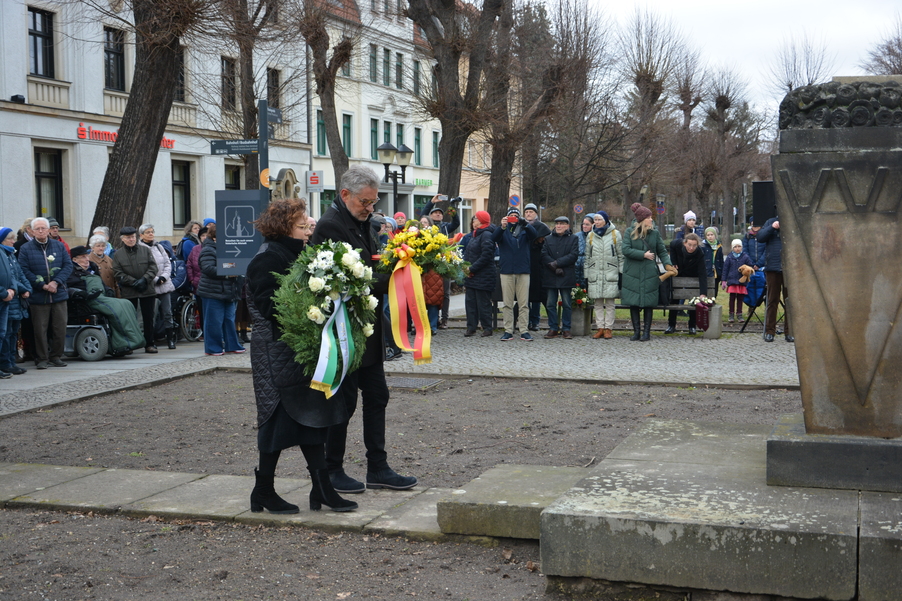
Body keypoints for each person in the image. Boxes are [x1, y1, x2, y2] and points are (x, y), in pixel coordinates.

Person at [246, 197, 356, 513]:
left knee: (312, 420)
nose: (307, 230)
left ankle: (321, 489)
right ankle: (263, 490)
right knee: (275, 423)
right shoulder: (267, 260)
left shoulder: (294, 255)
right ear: (284, 228)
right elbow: (271, 309)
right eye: (300, 225)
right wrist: (314, 306)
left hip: (297, 353)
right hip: (276, 356)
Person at [312, 165, 418, 494]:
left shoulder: (362, 223)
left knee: (377, 396)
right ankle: (332, 469)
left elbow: (371, 264)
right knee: (342, 402)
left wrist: (401, 261)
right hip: (344, 329)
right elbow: (353, 281)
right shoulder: (331, 226)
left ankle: (378, 467)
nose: (370, 208)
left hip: (365, 330)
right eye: (364, 202)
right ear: (344, 195)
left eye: (373, 202)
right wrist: (394, 274)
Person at [17, 217, 73, 369]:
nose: (41, 231)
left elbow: (68, 266)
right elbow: (24, 269)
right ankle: (41, 358)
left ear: (48, 230)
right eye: (37, 229)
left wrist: (56, 282)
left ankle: (56, 356)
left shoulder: (59, 246)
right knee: (39, 329)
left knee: (59, 327)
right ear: (32, 231)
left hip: (58, 293)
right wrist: (41, 285)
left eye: (43, 228)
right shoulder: (26, 248)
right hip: (38, 296)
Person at [67, 246, 144, 354]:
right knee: (116, 308)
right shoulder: (70, 271)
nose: (87, 259)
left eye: (87, 256)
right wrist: (81, 293)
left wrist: (108, 290)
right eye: (83, 257)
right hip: (86, 300)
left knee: (126, 303)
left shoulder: (92, 268)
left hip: (100, 296)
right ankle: (121, 344)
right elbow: (67, 288)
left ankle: (131, 341)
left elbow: (102, 284)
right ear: (74, 260)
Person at [621, 203, 671, 342]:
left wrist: (668, 264)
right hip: (633, 272)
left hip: (649, 272)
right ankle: (636, 332)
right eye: (649, 217)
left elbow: (661, 250)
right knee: (634, 302)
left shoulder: (654, 233)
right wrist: (643, 254)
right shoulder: (629, 232)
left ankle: (646, 332)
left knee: (649, 302)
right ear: (642, 219)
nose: (651, 219)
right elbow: (625, 250)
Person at [197, 223, 245, 356]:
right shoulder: (208, 250)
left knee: (229, 320)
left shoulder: (227, 248)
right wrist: (228, 272)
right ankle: (213, 348)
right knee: (214, 321)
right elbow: (207, 268)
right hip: (212, 291)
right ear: (215, 237)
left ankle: (232, 345)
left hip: (228, 291)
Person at [491, 207, 537, 341]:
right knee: (507, 303)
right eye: (511, 216)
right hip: (507, 270)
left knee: (524, 303)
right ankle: (508, 330)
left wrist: (525, 224)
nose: (513, 218)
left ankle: (524, 330)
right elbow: (493, 238)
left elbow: (534, 235)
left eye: (516, 216)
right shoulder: (503, 231)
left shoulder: (524, 229)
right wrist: (502, 226)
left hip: (523, 270)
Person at [112, 226, 159, 353]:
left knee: (148, 317)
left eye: (133, 237)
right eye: (128, 237)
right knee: (129, 319)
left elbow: (153, 267)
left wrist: (144, 279)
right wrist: (133, 282)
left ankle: (150, 343)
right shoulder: (118, 254)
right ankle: (130, 344)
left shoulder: (145, 250)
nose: (131, 239)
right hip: (129, 291)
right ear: (122, 239)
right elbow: (118, 273)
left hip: (147, 288)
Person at [421, 196, 461, 328]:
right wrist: (431, 202)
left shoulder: (445, 227)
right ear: (430, 216)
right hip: (429, 264)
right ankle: (433, 319)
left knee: (445, 292)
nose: (438, 214)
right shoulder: (426, 227)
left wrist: (453, 207)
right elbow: (422, 216)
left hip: (444, 262)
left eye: (440, 213)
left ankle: (444, 319)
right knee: (431, 292)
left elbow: (456, 223)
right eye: (435, 213)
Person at [584, 211, 623, 339]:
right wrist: (586, 275)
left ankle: (609, 329)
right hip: (595, 272)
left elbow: (621, 256)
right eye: (595, 220)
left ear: (605, 220)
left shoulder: (615, 234)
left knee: (610, 303)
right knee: (598, 303)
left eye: (599, 219)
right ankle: (600, 327)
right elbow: (587, 258)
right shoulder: (590, 236)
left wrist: (621, 274)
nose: (597, 222)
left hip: (610, 273)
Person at [138, 224, 178, 349]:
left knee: (167, 312)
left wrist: (164, 277)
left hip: (164, 284)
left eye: (152, 231)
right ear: (141, 235)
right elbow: (142, 267)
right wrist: (155, 279)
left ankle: (170, 339)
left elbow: (167, 263)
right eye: (148, 232)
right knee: (151, 314)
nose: (151, 234)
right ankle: (150, 340)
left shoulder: (159, 246)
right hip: (150, 285)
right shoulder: (140, 248)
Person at [541, 217, 580, 339]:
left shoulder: (573, 238)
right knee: (550, 303)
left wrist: (557, 263)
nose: (558, 226)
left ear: (567, 226)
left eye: (561, 224)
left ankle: (566, 328)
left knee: (567, 303)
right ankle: (553, 328)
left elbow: (573, 255)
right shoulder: (548, 239)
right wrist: (553, 267)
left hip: (566, 274)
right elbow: (544, 254)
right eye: (557, 223)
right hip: (551, 275)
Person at [757, 216, 793, 343]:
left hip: (790, 268)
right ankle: (769, 331)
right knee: (772, 300)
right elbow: (760, 237)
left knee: (790, 302)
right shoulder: (770, 221)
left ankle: (789, 332)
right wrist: (772, 228)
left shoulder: (792, 220)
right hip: (772, 267)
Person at [0, 227, 31, 377]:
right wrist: (20, 289)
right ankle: (6, 363)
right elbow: (11, 278)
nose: (13, 241)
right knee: (5, 334)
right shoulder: (3, 254)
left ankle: (11, 361)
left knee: (12, 334)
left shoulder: (11, 255)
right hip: (8, 298)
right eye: (9, 239)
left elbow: (19, 274)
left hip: (15, 299)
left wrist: (27, 288)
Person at [664, 233, 708, 335]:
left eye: (694, 245)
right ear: (685, 243)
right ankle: (671, 325)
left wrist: (703, 293)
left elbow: (702, 274)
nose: (691, 248)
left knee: (693, 299)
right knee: (674, 299)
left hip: (692, 276)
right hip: (679, 273)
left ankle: (692, 326)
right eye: (689, 245)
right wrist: (673, 262)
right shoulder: (678, 244)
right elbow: (672, 245)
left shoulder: (699, 253)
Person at [463, 211, 496, 337]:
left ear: (482, 220)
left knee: (483, 303)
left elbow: (486, 256)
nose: (473, 221)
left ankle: (487, 328)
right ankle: (471, 327)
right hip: (472, 275)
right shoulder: (475, 234)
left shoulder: (486, 234)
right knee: (470, 303)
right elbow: (468, 252)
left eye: (475, 219)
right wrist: (465, 267)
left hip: (483, 275)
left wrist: (472, 268)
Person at [523, 203, 551, 331]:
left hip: (538, 265)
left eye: (531, 212)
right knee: (524, 295)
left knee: (537, 295)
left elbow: (547, 245)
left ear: (536, 214)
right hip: (524, 264)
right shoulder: (521, 226)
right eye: (526, 212)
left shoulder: (542, 227)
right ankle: (525, 320)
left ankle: (535, 320)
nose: (528, 214)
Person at [721, 239, 753, 323]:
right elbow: (725, 269)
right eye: (735, 247)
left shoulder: (745, 257)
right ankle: (731, 314)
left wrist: (747, 269)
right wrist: (724, 280)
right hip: (732, 281)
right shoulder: (729, 257)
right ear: (732, 248)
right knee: (732, 298)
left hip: (741, 282)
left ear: (742, 247)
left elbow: (750, 265)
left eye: (739, 246)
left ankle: (739, 314)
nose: (737, 248)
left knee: (740, 298)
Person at [701, 227, 724, 297]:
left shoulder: (719, 246)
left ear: (715, 235)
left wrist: (722, 274)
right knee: (706, 291)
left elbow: (721, 261)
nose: (710, 237)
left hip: (716, 272)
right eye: (708, 235)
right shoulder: (703, 246)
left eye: (712, 235)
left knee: (714, 292)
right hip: (706, 271)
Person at [574, 216, 593, 288]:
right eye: (583, 224)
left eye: (587, 224)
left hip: (589, 267)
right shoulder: (576, 236)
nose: (584, 226)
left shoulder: (595, 236)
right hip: (577, 267)